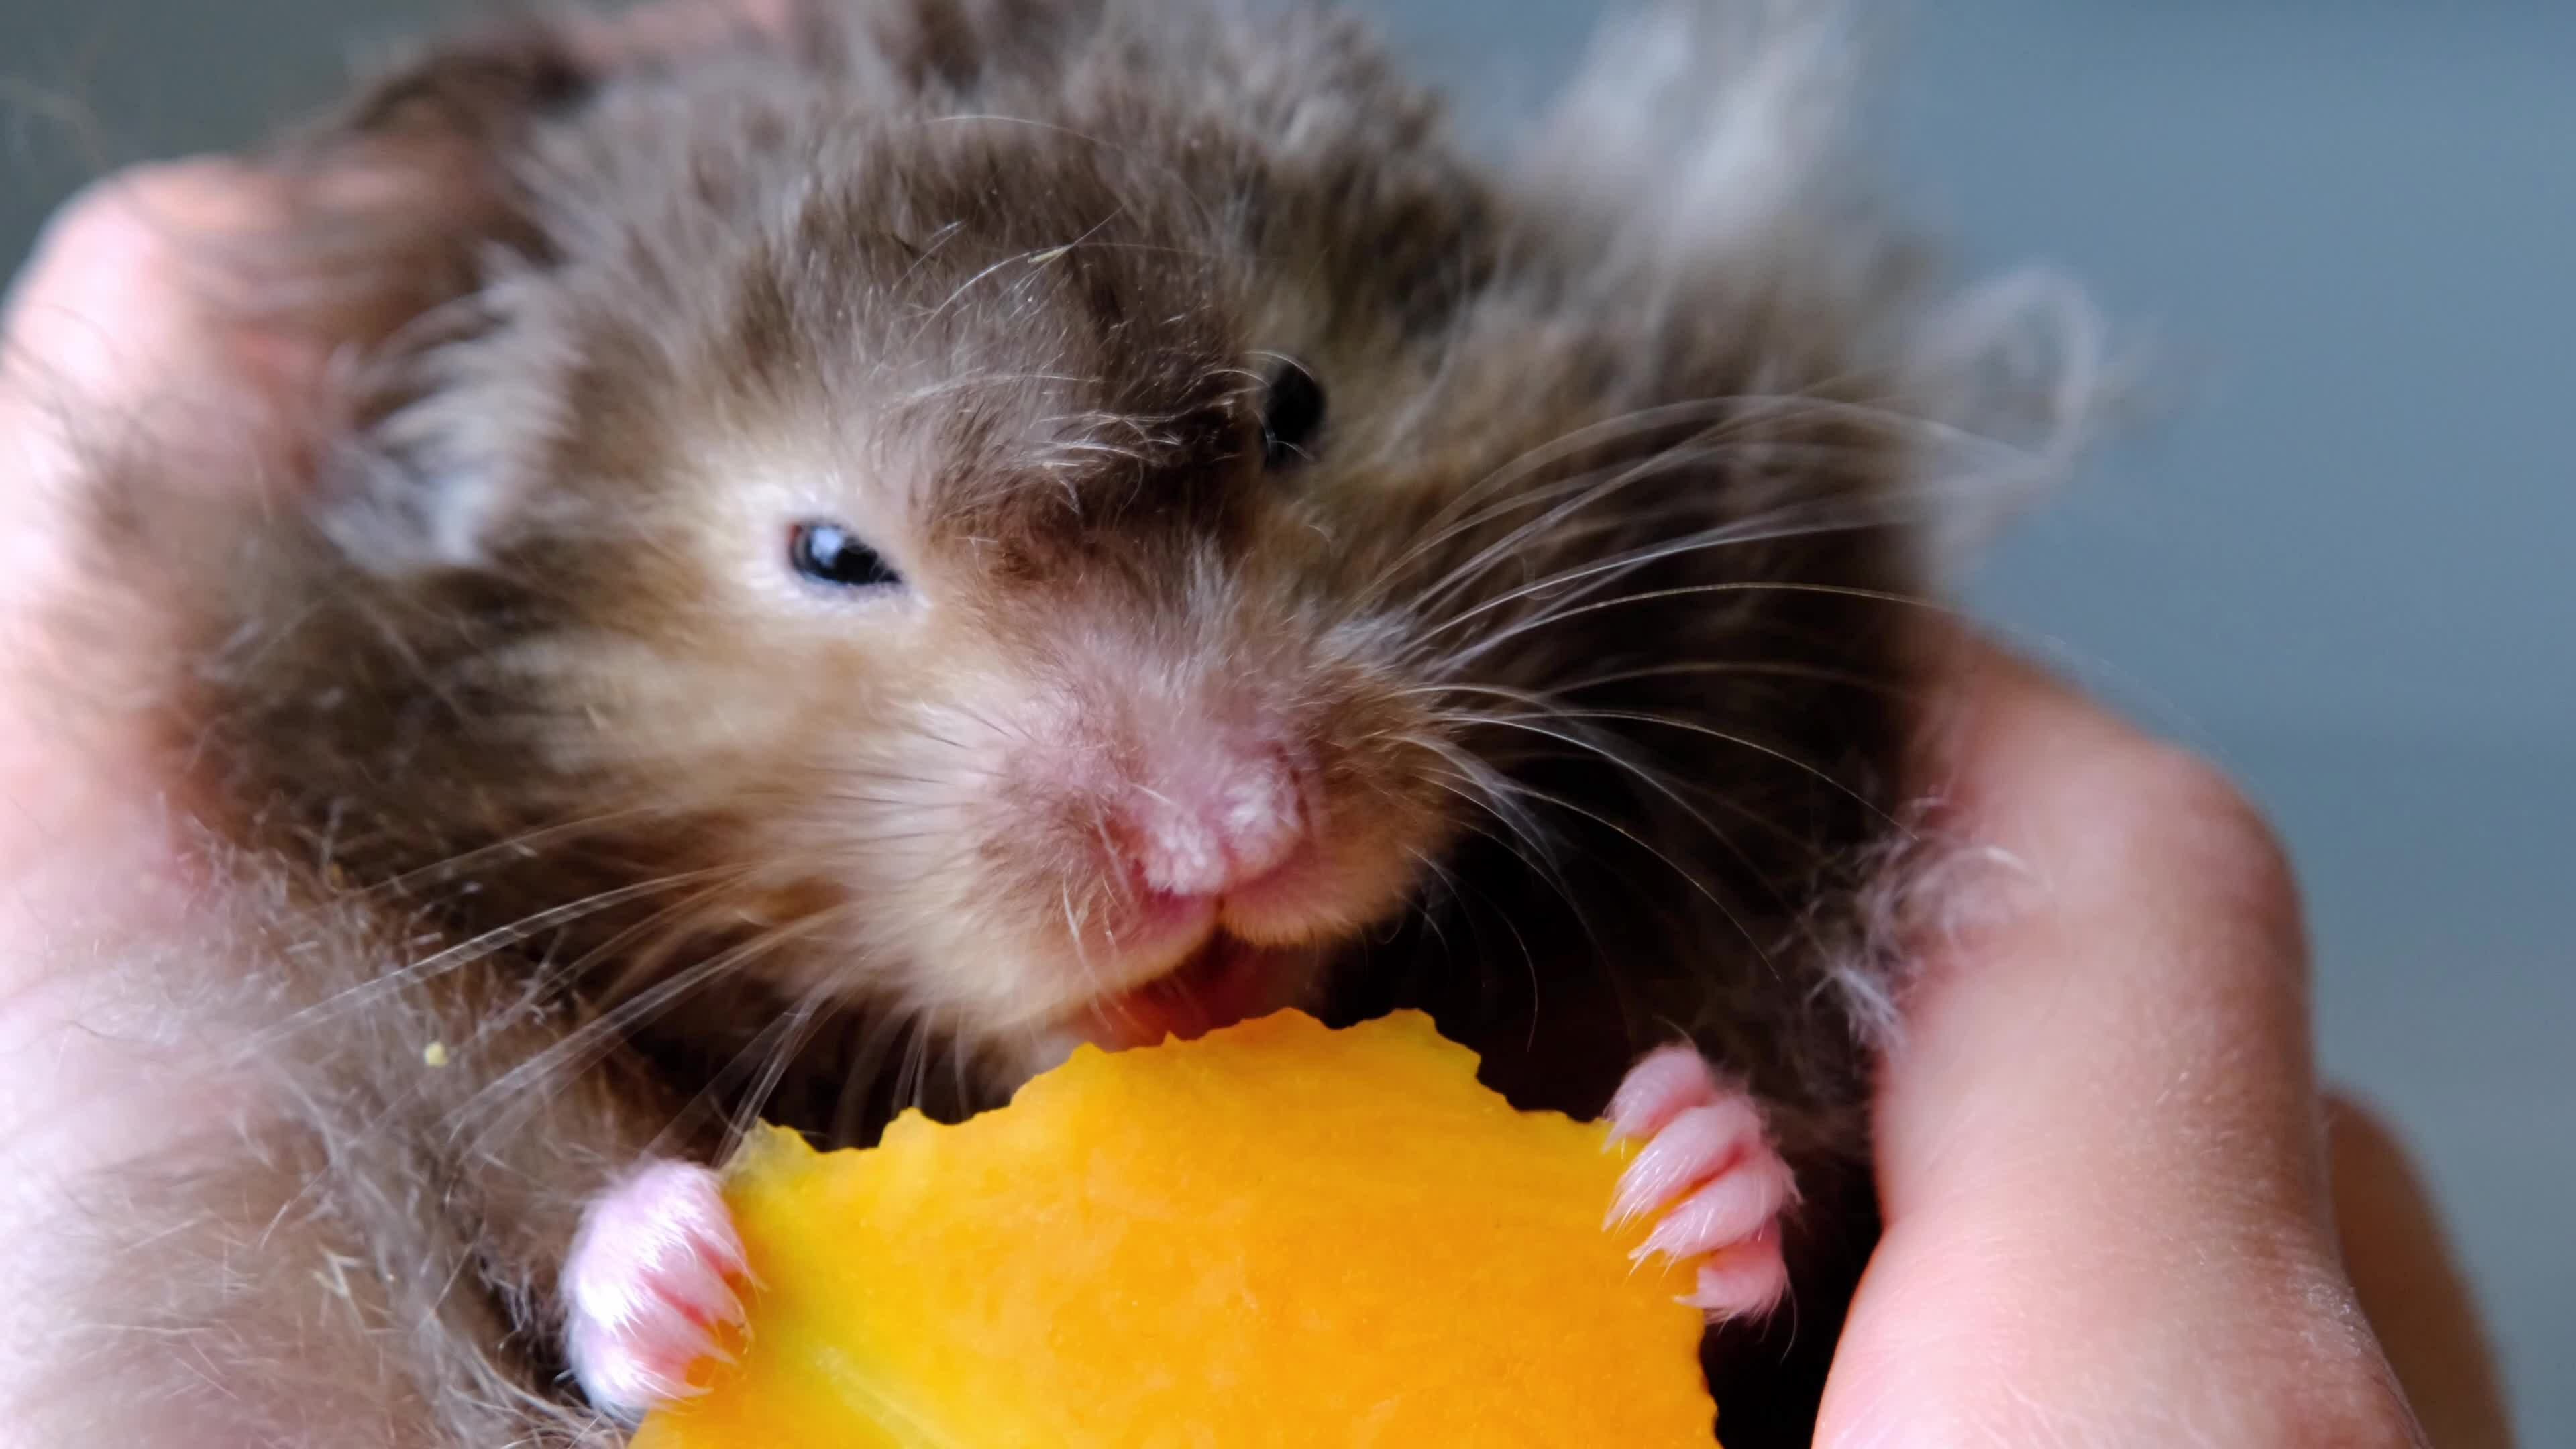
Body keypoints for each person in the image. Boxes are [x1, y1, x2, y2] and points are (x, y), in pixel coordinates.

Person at [0, 154, 2512, 1447]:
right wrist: (624, 1267)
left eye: (1284, 445)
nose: (1215, 817)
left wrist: (1706, 1183)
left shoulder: (1686, 737)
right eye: (850, 562)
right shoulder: (430, 925)